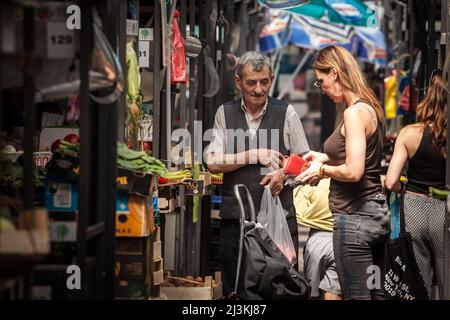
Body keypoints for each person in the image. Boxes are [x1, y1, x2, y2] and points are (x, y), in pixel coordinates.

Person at [205, 51, 310, 296]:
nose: (259, 89)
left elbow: (305, 161)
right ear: (238, 81)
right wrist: (254, 154)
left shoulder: (287, 113)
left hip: (279, 223)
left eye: (264, 81)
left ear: (272, 79)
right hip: (236, 222)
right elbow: (212, 162)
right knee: (237, 291)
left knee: (280, 290)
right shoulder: (225, 113)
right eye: (251, 82)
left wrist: (283, 174)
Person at [297, 45, 390, 300]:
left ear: (335, 73)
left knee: (357, 296)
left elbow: (354, 171)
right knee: (375, 293)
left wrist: (322, 170)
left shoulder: (353, 112)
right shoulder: (369, 107)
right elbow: (358, 153)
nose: (322, 88)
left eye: (321, 81)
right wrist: (323, 156)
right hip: (375, 216)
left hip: (354, 220)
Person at [385, 70, 447, 299]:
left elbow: (391, 181)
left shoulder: (409, 134)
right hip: (445, 209)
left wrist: (404, 189)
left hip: (414, 208)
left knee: (418, 281)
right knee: (447, 280)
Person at [294, 178, 342, 300]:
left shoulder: (309, 188)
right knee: (334, 290)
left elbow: (300, 215)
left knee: (313, 294)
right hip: (341, 241)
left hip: (316, 243)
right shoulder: (344, 184)